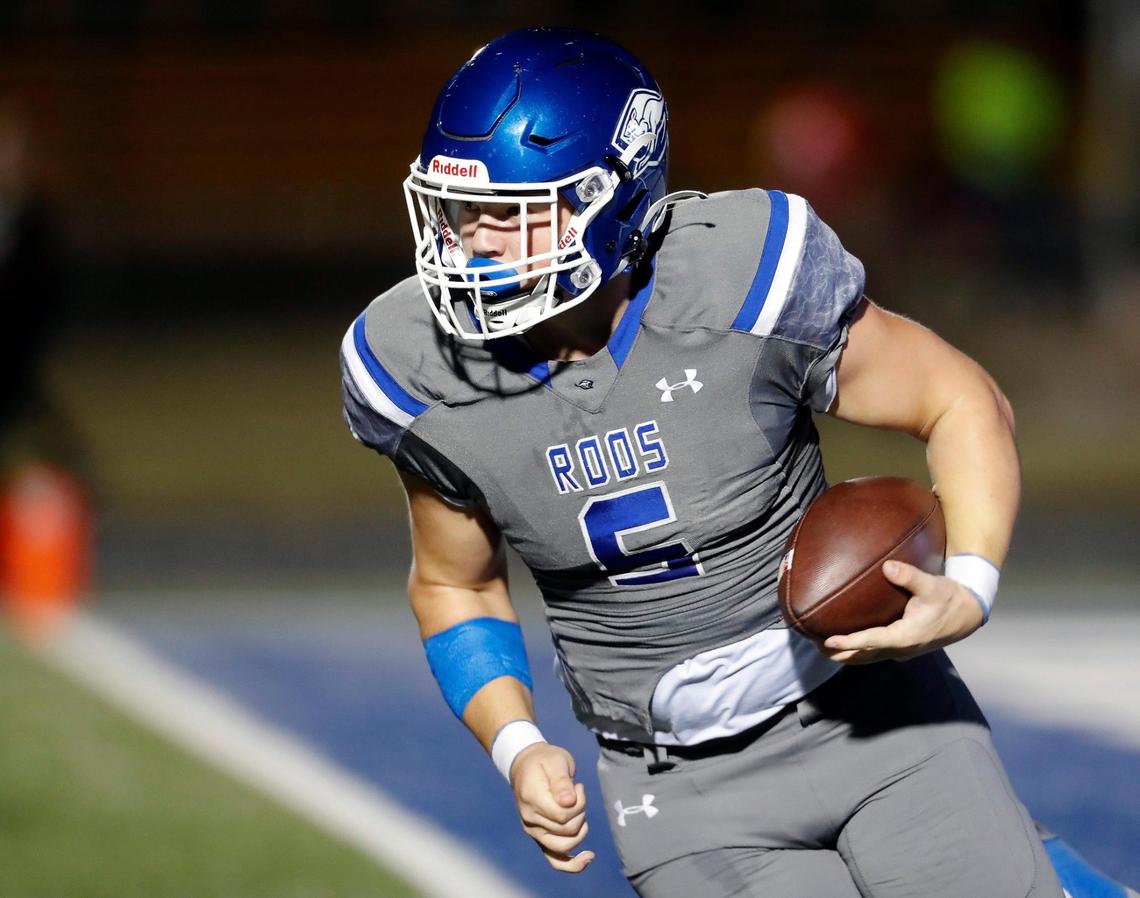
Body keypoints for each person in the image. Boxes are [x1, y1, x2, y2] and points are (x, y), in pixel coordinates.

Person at [341, 27, 1135, 898]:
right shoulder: (415, 365)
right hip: (680, 790)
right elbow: (456, 584)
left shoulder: (736, 275)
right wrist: (517, 744)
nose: (473, 245)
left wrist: (971, 584)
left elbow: (960, 398)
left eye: (515, 214)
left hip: (867, 712)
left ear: (615, 203)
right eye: (459, 212)